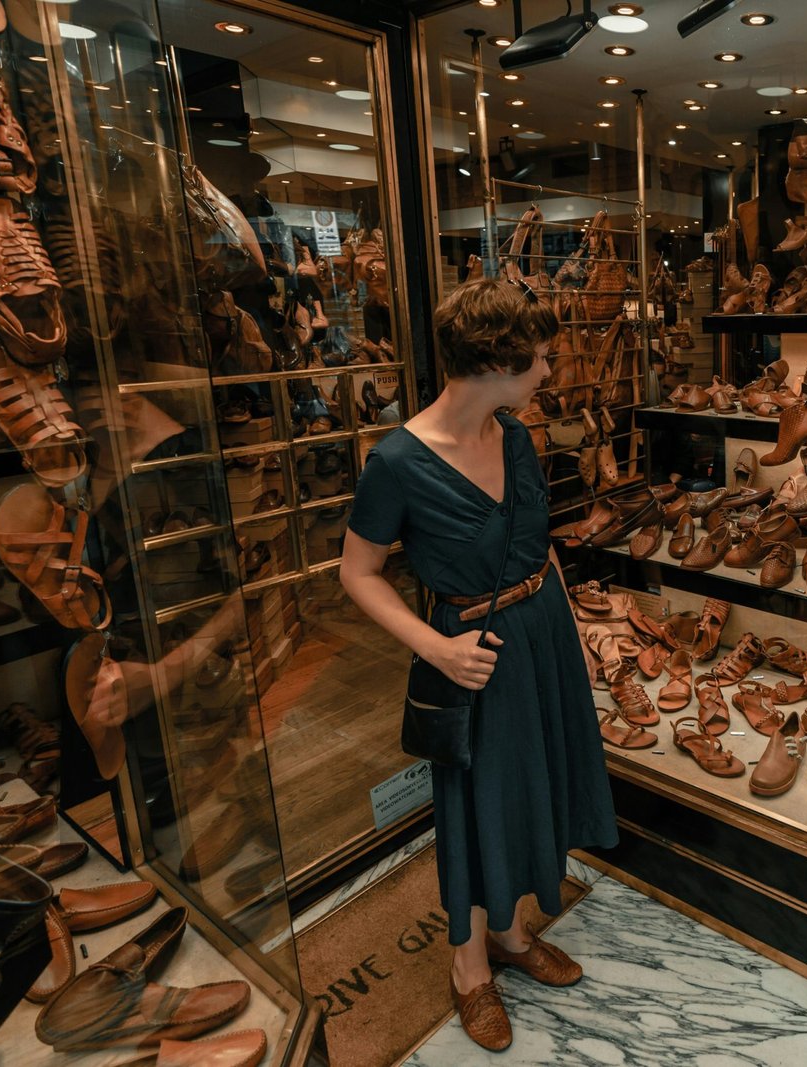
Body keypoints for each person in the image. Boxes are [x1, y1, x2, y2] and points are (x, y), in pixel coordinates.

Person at [339, 278, 617, 1051]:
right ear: (499, 360)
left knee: (535, 784)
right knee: (475, 805)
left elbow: (540, 543)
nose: (550, 371)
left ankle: (512, 931)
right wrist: (435, 647)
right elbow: (357, 573)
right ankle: (468, 967)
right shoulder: (397, 461)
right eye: (542, 357)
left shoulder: (516, 436)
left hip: (543, 632)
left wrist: (575, 637)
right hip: (471, 651)